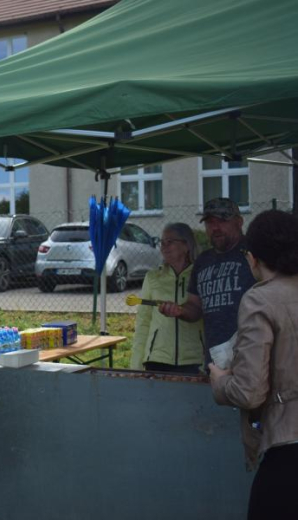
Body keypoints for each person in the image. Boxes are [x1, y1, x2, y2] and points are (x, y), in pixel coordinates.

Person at [208, 209, 298, 520]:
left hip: (287, 449)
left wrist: (219, 380)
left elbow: (249, 392)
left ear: (253, 258)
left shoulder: (259, 300)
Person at [159, 197, 257, 364]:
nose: (215, 228)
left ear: (239, 222)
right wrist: (180, 311)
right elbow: (195, 306)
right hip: (217, 359)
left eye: (222, 221)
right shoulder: (203, 261)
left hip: (253, 354)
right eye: (210, 222)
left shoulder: (255, 252)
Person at [129, 223, 204, 373]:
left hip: (195, 360)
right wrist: (136, 365)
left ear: (186, 245)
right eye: (162, 242)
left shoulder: (201, 275)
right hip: (157, 360)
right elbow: (143, 323)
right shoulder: (152, 278)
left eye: (170, 242)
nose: (164, 247)